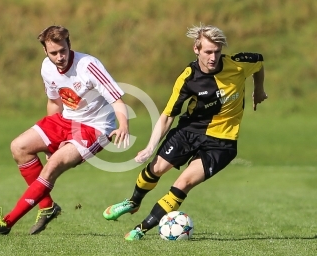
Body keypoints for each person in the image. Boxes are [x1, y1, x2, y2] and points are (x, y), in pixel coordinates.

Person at [102, 24, 267, 240]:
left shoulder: (238, 64)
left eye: (217, 51)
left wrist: (259, 89)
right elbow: (168, 115)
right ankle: (133, 201)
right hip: (189, 131)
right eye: (208, 51)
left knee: (183, 183)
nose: (213, 57)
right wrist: (150, 147)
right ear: (196, 49)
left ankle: (140, 229)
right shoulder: (189, 78)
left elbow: (259, 62)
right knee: (156, 168)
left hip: (222, 142)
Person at [0, 25, 130, 235]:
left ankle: (7, 223)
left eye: (63, 51)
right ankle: (47, 206)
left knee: (53, 166)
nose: (59, 57)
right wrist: (52, 142)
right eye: (54, 53)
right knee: (19, 147)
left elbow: (117, 99)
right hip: (66, 120)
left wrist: (123, 125)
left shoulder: (88, 65)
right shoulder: (47, 68)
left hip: (95, 127)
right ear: (45, 51)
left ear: (70, 46)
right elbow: (53, 102)